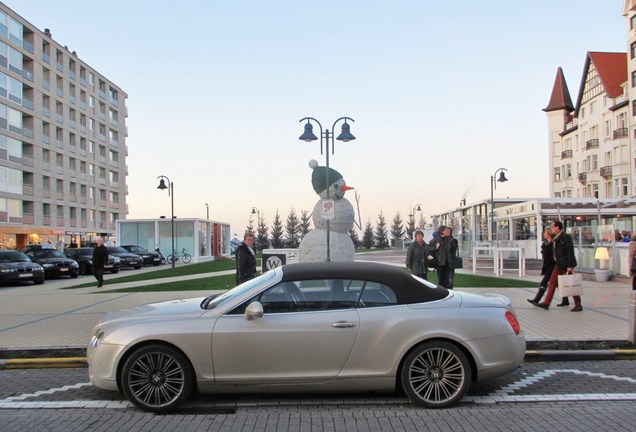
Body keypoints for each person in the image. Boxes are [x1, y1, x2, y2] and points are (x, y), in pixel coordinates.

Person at [534, 220, 581, 312]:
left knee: (571, 284)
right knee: (552, 282)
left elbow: (570, 252)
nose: (551, 229)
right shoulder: (555, 237)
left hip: (566, 264)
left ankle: (578, 304)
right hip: (558, 264)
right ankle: (546, 303)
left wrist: (570, 265)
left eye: (552, 227)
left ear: (557, 227)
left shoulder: (565, 237)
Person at [527, 228, 554, 305]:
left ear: (549, 234)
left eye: (545, 233)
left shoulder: (552, 243)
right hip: (547, 265)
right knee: (557, 283)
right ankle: (565, 300)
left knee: (544, 282)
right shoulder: (545, 243)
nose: (544, 234)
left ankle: (536, 300)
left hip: (552, 266)